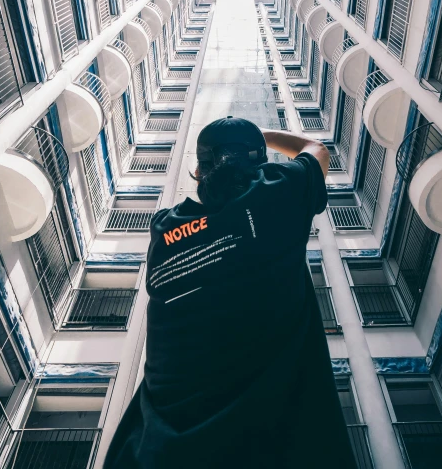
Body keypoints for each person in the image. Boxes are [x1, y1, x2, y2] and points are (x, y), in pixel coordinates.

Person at [104, 117, 357, 469]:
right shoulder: (278, 193)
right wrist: (263, 134)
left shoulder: (163, 230)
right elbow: (316, 150)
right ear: (259, 163)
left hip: (156, 451)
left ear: (197, 171)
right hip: (268, 446)